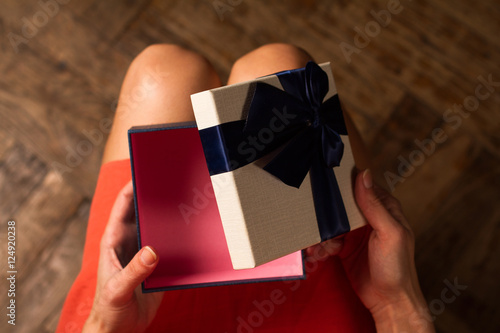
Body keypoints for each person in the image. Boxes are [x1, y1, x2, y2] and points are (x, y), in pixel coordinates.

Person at [57, 44, 435, 333]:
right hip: (319, 309)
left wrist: (105, 324)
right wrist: (398, 304)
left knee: (163, 72)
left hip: (140, 308)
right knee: (279, 66)